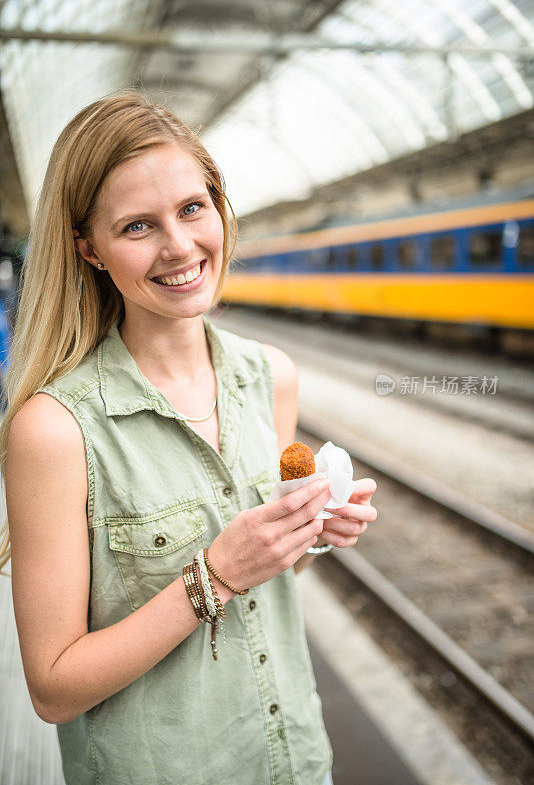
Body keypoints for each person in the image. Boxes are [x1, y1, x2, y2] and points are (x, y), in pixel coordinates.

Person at [0, 91, 377, 785]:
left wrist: (310, 534)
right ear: (88, 247)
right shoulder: (53, 430)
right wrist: (218, 572)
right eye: (139, 226)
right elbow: (52, 688)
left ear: (218, 206)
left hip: (295, 760)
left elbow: (272, 579)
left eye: (192, 208)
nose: (179, 246)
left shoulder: (272, 377)